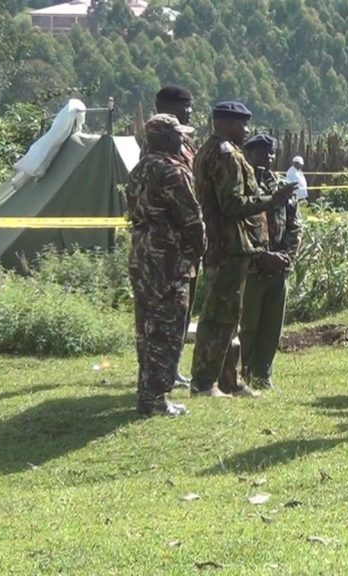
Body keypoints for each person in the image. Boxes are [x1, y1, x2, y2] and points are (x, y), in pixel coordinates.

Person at [190, 101, 295, 399]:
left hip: (225, 244)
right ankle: (204, 382)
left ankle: (229, 381)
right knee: (219, 317)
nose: (246, 130)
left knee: (229, 317)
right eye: (242, 124)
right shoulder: (225, 154)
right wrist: (271, 200)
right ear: (227, 124)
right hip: (228, 245)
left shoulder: (208, 150)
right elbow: (232, 204)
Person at [124, 114, 205, 417]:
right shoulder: (173, 171)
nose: (183, 139)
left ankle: (147, 393)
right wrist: (200, 249)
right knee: (168, 329)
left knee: (146, 328)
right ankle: (156, 398)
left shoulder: (139, 170)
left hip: (142, 254)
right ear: (167, 138)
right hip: (169, 259)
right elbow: (192, 219)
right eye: (178, 135)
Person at [239, 134, 302, 390]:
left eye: (272, 153)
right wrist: (260, 256)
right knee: (248, 324)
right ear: (249, 154)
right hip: (252, 267)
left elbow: (295, 225)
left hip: (278, 267)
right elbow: (239, 225)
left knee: (272, 325)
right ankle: (243, 372)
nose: (269, 158)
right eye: (263, 153)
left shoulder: (281, 186)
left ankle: (263, 373)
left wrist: (286, 256)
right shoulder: (243, 187)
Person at [154, 85, 199, 387]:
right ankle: (161, 371)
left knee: (185, 305)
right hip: (168, 243)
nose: (190, 114)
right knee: (166, 311)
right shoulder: (158, 148)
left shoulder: (185, 144)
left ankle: (173, 366)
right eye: (185, 108)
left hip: (187, 240)